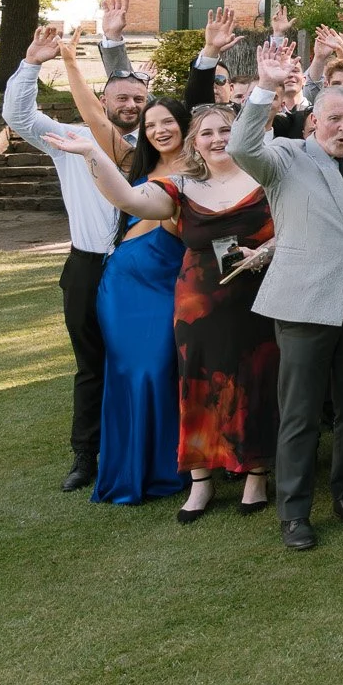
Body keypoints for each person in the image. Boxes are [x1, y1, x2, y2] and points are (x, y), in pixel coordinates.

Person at [44, 105, 279, 519]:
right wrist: (92, 155)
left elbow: (296, 228)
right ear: (195, 142)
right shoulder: (181, 186)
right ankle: (201, 483)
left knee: (256, 382)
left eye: (227, 130)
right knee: (198, 385)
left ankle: (254, 476)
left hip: (258, 298)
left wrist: (266, 252)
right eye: (207, 133)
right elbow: (129, 198)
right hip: (198, 303)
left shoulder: (266, 178)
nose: (218, 139)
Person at [229, 42, 343, 551]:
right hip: (304, 303)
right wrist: (265, 87)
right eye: (334, 120)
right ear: (314, 122)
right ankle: (294, 511)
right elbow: (241, 148)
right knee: (301, 412)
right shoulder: (286, 157)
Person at [4, 10, 143, 493]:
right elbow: (18, 117)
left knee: (146, 360)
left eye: (139, 99)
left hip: (142, 270)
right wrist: (30, 65)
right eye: (121, 98)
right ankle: (86, 453)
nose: (130, 105)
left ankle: (145, 445)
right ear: (101, 102)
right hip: (88, 264)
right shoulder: (74, 139)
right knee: (91, 362)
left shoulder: (161, 145)